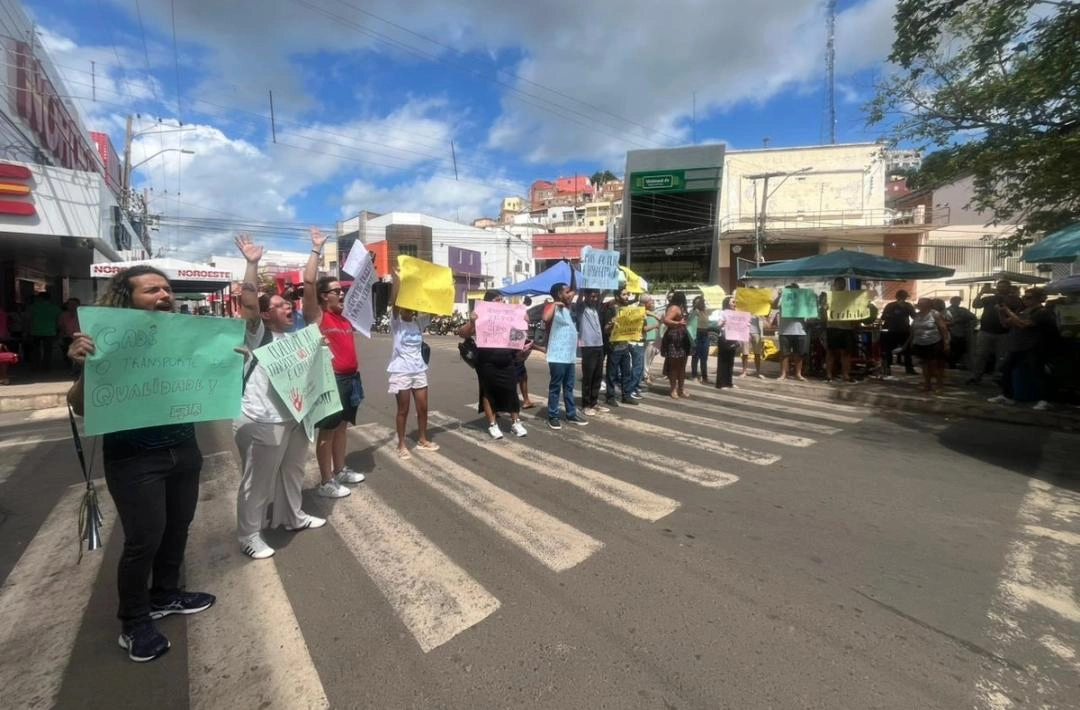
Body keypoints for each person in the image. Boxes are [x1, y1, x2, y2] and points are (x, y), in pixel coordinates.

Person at [66, 266, 216, 663]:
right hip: (135, 459)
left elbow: (210, 378)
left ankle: (166, 594)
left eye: (167, 289)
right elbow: (80, 406)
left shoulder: (186, 337)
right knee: (143, 540)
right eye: (152, 290)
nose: (164, 295)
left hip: (184, 449)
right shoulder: (106, 341)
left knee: (178, 527)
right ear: (126, 298)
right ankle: (133, 622)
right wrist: (85, 366)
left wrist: (228, 359)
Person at [232, 235, 326, 561]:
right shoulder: (258, 334)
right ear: (265, 315)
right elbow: (247, 305)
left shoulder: (298, 332)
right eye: (279, 305)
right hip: (262, 419)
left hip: (294, 416)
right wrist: (252, 264)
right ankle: (249, 535)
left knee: (293, 471)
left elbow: (311, 295)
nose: (288, 307)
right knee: (257, 483)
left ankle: (291, 517)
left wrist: (315, 251)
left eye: (288, 303)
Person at [305, 227, 366, 499]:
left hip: (351, 380)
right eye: (335, 291)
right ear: (322, 296)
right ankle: (326, 480)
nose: (341, 294)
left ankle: (340, 469)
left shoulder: (344, 318)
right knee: (327, 432)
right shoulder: (317, 316)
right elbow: (308, 284)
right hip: (331, 381)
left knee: (342, 428)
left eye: (341, 290)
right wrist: (316, 250)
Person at [459, 290, 528, 438]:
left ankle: (516, 422)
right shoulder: (480, 316)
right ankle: (492, 424)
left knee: (511, 390)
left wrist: (523, 321)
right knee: (488, 392)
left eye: (502, 300)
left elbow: (517, 334)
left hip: (507, 360)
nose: (502, 302)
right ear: (489, 303)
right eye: (498, 300)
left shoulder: (508, 315)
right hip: (486, 362)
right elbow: (462, 333)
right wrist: (472, 322)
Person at [388, 268, 439, 458]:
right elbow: (394, 302)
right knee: (403, 410)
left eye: (411, 306)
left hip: (418, 370)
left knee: (423, 408)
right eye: (406, 306)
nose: (409, 309)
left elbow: (435, 308)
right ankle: (401, 444)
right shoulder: (396, 322)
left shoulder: (418, 322)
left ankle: (422, 439)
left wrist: (441, 287)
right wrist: (397, 279)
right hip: (401, 371)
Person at [989, 288, 1056, 410]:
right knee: (1006, 368)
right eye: (1025, 297)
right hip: (1020, 346)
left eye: (1029, 297)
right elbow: (1005, 324)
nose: (1025, 299)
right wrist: (1001, 312)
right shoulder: (1023, 311)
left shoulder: (1041, 312)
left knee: (1039, 372)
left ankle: (1045, 400)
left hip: (1035, 346)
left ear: (1038, 299)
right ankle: (1007, 395)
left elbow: (1023, 324)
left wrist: (1008, 311)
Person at [543, 282, 589, 429]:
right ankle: (553, 416)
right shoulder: (552, 306)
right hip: (556, 356)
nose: (571, 294)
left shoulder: (568, 309)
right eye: (568, 292)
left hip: (568, 355)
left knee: (569, 386)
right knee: (556, 386)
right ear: (559, 294)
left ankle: (571, 414)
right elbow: (545, 318)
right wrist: (555, 304)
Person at [969, 279, 1023, 384]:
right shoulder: (990, 298)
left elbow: (1016, 306)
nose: (1001, 288)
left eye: (1004, 286)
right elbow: (975, 305)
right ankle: (976, 376)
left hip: (1004, 332)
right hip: (985, 331)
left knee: (1001, 356)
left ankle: (998, 378)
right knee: (980, 355)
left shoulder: (1014, 299)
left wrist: (999, 296)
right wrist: (980, 293)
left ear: (1009, 288)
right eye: (1000, 286)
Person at [601, 287, 638, 406]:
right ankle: (610, 397)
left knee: (626, 373)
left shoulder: (627, 310)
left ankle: (626, 396)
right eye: (624, 294)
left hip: (625, 346)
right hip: (614, 347)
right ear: (617, 297)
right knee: (612, 374)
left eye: (628, 294)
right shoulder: (611, 310)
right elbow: (605, 330)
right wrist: (612, 323)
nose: (627, 297)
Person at [905, 297, 950, 394]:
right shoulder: (917, 315)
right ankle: (927, 385)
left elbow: (943, 329)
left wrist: (946, 343)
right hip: (920, 343)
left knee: (934, 367)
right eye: (919, 303)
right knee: (924, 366)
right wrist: (911, 342)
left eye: (922, 303)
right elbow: (913, 331)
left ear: (928, 305)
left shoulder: (935, 314)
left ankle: (939, 386)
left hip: (933, 343)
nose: (919, 305)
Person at [576, 289, 608, 415]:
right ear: (586, 296)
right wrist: (581, 290)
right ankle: (586, 405)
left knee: (597, 376)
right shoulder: (581, 308)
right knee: (588, 377)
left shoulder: (595, 308)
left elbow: (603, 295)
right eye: (592, 296)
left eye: (596, 297)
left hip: (599, 345)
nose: (595, 299)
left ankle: (594, 403)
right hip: (588, 346)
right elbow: (579, 299)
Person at [772, 284, 808, 381]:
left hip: (800, 330)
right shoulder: (782, 299)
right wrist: (780, 295)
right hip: (784, 330)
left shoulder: (802, 300)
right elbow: (773, 305)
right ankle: (783, 374)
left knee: (799, 354)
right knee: (784, 354)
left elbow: (810, 308)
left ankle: (798, 374)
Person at [825, 278, 857, 383]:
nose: (841, 285)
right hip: (832, 327)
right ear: (835, 284)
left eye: (843, 283)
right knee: (831, 352)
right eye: (839, 283)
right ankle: (829, 375)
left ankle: (845, 375)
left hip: (846, 327)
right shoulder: (829, 297)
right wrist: (825, 307)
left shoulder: (849, 296)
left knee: (846, 353)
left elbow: (855, 309)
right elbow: (823, 311)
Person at [659, 291, 690, 398]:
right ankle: (673, 390)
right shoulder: (674, 308)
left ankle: (681, 389)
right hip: (674, 339)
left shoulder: (682, 308)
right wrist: (678, 323)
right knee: (674, 366)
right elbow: (666, 320)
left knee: (682, 366)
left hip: (683, 339)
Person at [880, 289, 915, 377]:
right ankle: (908, 369)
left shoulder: (891, 305)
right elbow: (914, 316)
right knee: (905, 351)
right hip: (901, 330)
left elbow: (883, 317)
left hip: (895, 330)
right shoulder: (906, 305)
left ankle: (889, 368)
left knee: (890, 350)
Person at [709, 299, 740, 389]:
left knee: (730, 361)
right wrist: (722, 323)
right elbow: (718, 324)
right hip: (724, 339)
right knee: (723, 361)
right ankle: (720, 384)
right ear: (727, 304)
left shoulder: (736, 313)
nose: (735, 303)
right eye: (733, 302)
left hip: (733, 338)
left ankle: (729, 382)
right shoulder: (723, 313)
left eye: (735, 302)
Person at [28, 292, 62, 369]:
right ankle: (46, 366)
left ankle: (35, 366)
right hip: (50, 332)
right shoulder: (55, 308)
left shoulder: (33, 307)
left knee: (36, 350)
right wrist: (58, 331)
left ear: (40, 298)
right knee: (48, 351)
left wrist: (27, 330)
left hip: (35, 331)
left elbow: (29, 320)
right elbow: (58, 321)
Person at [945, 296, 976, 368]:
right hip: (951, 333)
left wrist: (968, 321)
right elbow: (943, 322)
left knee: (961, 350)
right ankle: (951, 364)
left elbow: (973, 317)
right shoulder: (946, 311)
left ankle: (957, 362)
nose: (957, 303)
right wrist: (954, 321)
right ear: (951, 302)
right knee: (952, 349)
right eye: (955, 301)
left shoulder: (963, 310)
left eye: (958, 301)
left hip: (962, 332)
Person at [687, 295, 710, 383]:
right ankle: (694, 375)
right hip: (696, 335)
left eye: (700, 302)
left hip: (705, 334)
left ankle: (704, 376)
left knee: (704, 357)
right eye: (696, 302)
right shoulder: (692, 311)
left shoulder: (706, 311)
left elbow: (707, 322)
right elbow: (689, 324)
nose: (698, 304)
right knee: (695, 356)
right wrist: (694, 313)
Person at [58, 297, 81, 376]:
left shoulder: (82, 315)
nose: (72, 306)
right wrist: (61, 337)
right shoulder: (63, 315)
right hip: (68, 338)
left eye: (74, 304)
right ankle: (72, 368)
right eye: (70, 304)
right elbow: (61, 327)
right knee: (69, 355)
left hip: (80, 338)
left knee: (77, 356)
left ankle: (76, 370)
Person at [641, 295, 661, 387]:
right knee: (646, 359)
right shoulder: (643, 312)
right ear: (645, 303)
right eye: (650, 302)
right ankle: (645, 376)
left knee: (650, 359)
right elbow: (644, 328)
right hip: (647, 338)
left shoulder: (652, 312)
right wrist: (655, 325)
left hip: (653, 338)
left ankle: (647, 373)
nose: (653, 303)